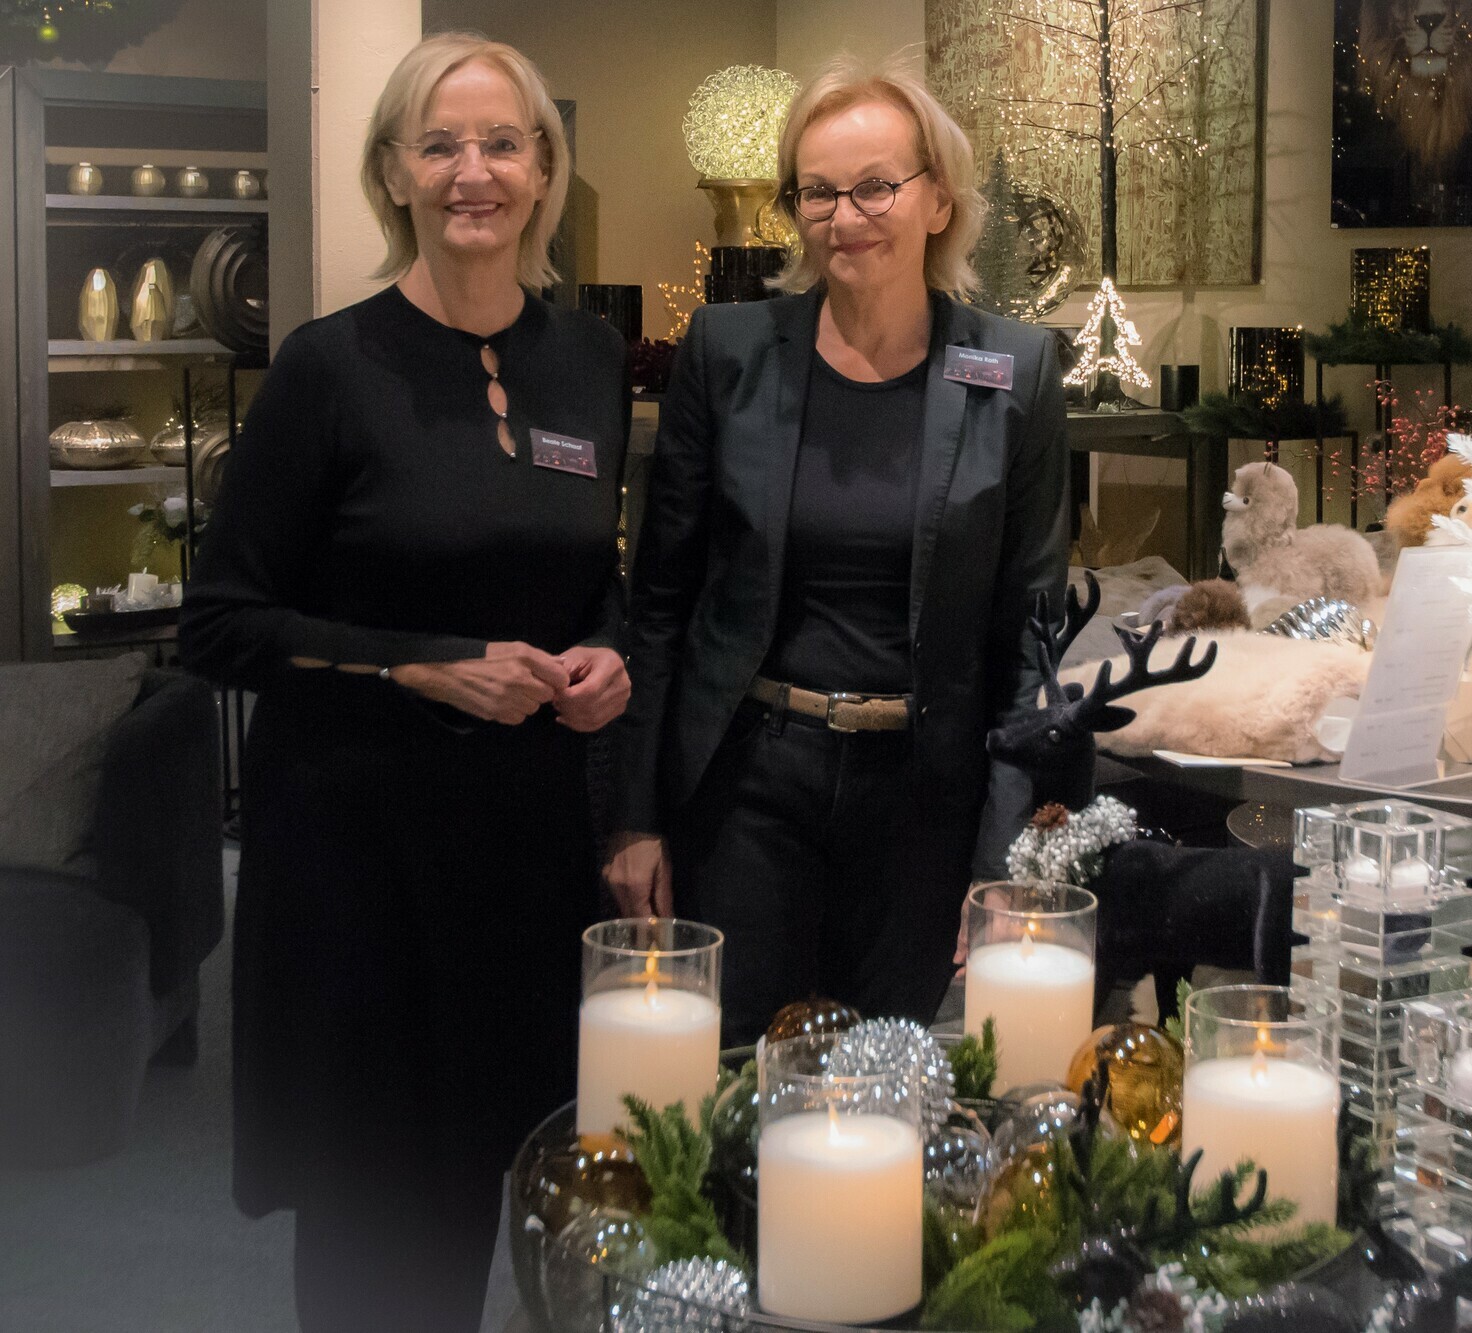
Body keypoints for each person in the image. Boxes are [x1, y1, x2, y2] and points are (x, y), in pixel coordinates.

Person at [180, 33, 629, 1333]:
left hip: (529, 865)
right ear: (393, 172)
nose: (471, 172)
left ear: (543, 170)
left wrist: (612, 654)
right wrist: (419, 666)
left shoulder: (590, 360)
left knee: (538, 1205)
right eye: (439, 145)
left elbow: (588, 580)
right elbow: (219, 625)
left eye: (501, 144)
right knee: (383, 1244)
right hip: (360, 871)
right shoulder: (329, 367)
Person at [609, 54, 1069, 1047]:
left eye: (874, 187)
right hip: (750, 785)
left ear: (938, 199)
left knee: (885, 1078)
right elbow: (660, 604)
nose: (843, 216)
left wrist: (1003, 862)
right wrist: (634, 816)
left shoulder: (1015, 370)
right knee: (742, 1071)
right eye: (816, 191)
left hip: (924, 795)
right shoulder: (727, 353)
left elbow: (1029, 640)